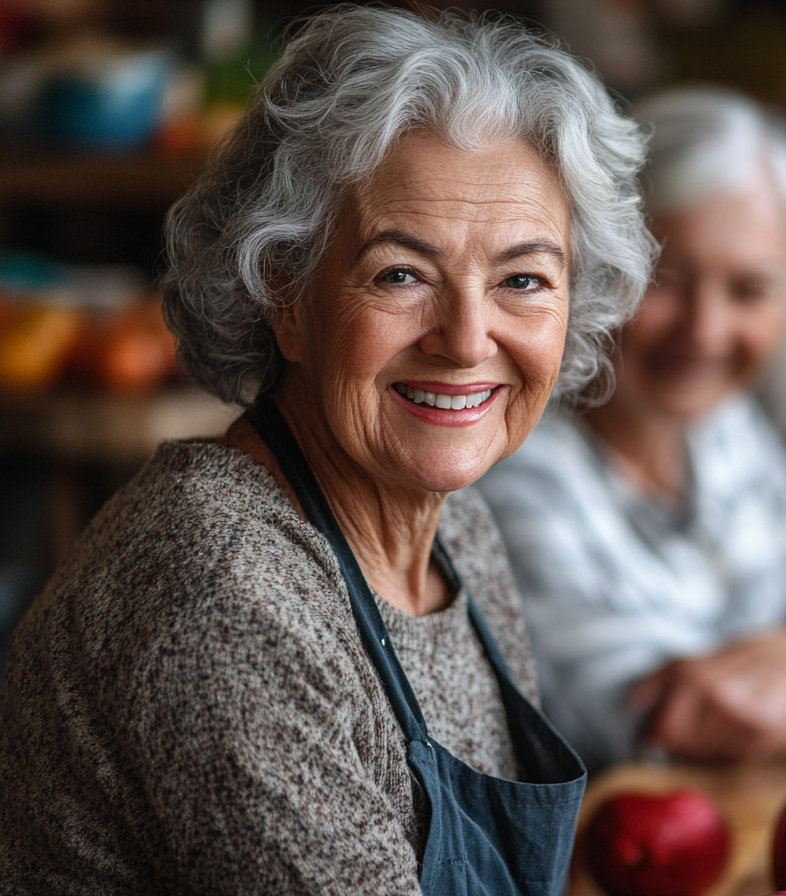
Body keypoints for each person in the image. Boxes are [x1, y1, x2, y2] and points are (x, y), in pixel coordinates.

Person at [0, 8, 654, 894]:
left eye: (523, 280)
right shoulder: (224, 587)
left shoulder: (459, 530)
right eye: (401, 274)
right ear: (284, 291)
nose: (467, 339)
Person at [478, 88, 786, 771]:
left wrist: (781, 658)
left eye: (748, 291)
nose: (706, 331)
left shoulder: (728, 433)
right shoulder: (518, 468)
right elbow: (659, 730)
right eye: (666, 279)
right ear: (595, 266)